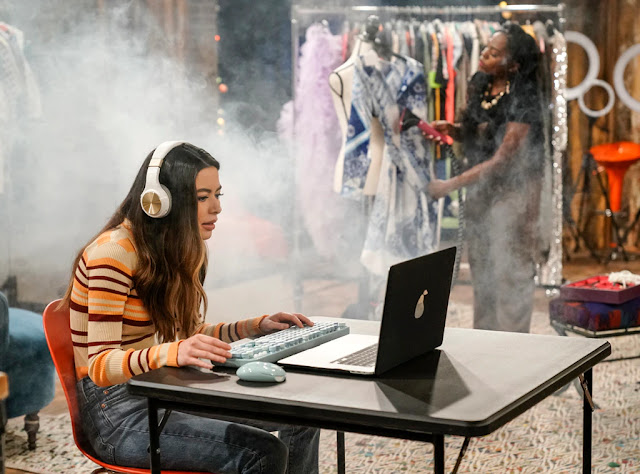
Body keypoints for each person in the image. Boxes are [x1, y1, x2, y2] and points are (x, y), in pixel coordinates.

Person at [60, 141, 320, 473]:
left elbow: (190, 334)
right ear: (159, 202)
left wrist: (256, 327)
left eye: (218, 195)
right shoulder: (111, 254)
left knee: (302, 415)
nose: (217, 208)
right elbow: (100, 366)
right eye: (202, 197)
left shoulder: (170, 248)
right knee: (262, 452)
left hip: (159, 388)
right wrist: (171, 352)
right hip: (116, 412)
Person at [425, 22, 543, 333]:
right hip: (480, 190)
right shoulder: (481, 83)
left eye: (494, 53)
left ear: (513, 64)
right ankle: (485, 342)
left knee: (510, 269)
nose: (484, 55)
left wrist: (449, 185)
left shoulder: (525, 97)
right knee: (483, 269)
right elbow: (478, 132)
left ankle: (514, 347)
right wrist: (453, 130)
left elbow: (503, 159)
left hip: (514, 193)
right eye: (486, 49)